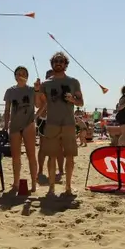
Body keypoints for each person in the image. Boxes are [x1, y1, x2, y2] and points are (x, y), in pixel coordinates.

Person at [39, 52, 83, 195]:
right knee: (52, 156)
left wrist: (73, 100)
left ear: (65, 64)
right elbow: (38, 104)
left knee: (69, 156)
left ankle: (68, 187)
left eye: (61, 61)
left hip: (69, 123)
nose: (58, 63)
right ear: (52, 64)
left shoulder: (74, 81)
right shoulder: (46, 84)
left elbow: (81, 103)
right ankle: (51, 187)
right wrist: (35, 89)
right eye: (56, 61)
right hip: (52, 123)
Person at [3, 66, 41, 193]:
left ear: (27, 76)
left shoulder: (31, 89)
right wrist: (5, 124)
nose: (21, 75)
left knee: (31, 155)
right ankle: (16, 183)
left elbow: (40, 104)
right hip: (14, 125)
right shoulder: (10, 91)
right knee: (15, 157)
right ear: (15, 76)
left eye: (23, 73)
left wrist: (35, 116)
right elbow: (7, 109)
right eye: (18, 73)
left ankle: (34, 183)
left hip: (28, 125)